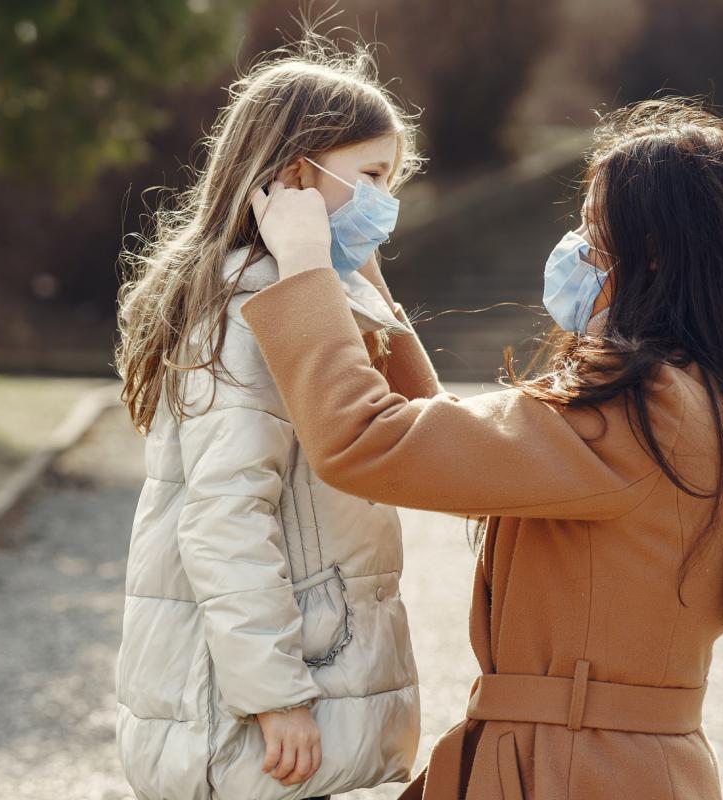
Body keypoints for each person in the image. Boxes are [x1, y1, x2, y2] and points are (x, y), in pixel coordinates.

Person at [241, 97, 723, 799]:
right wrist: (365, 278)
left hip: (575, 770)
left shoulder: (641, 403)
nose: (575, 252)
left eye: (592, 234)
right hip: (607, 764)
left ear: (649, 252)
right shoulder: (695, 391)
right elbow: (447, 439)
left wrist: (309, 267)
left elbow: (365, 441)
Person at [113, 39, 432, 800]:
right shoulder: (255, 308)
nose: (386, 202)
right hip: (264, 709)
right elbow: (224, 516)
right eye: (372, 177)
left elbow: (421, 432)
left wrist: (358, 279)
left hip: (318, 678)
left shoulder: (307, 295)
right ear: (295, 175)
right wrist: (276, 695)